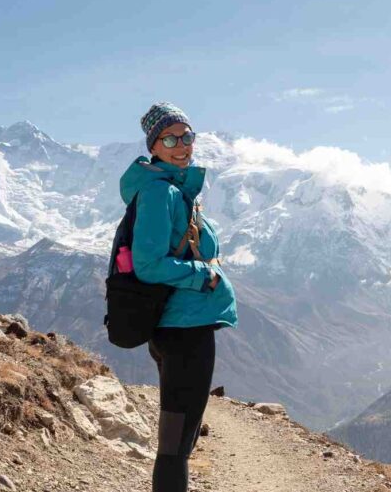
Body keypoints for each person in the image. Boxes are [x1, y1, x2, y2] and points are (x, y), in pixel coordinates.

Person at [118, 102, 238, 492]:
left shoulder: (175, 189)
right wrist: (204, 276)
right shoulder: (158, 192)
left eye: (187, 136)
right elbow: (149, 264)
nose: (181, 144)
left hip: (181, 325)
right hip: (184, 330)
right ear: (153, 145)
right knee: (176, 444)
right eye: (170, 138)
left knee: (178, 440)